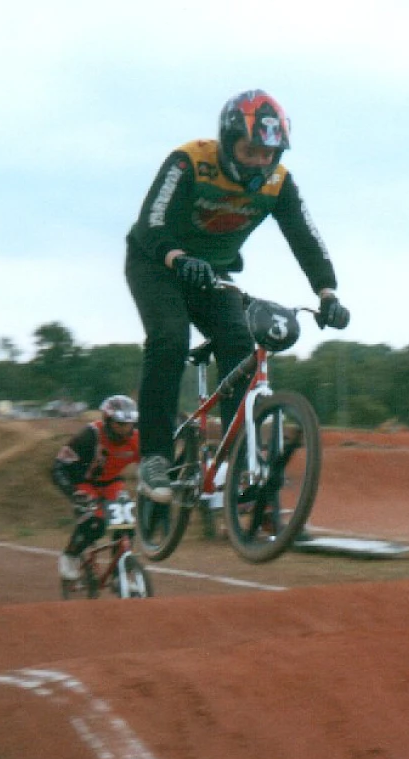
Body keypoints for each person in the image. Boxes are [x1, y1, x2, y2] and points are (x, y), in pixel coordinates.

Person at [123, 89, 350, 504]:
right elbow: (150, 222)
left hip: (211, 275)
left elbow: (305, 236)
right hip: (156, 263)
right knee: (170, 340)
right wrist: (176, 257)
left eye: (270, 152)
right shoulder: (189, 161)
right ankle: (154, 457)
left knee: (241, 347)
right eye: (250, 150)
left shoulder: (279, 184)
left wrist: (327, 291)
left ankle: (237, 460)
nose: (261, 161)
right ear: (228, 142)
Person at [50, 394, 142, 581]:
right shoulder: (89, 436)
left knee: (126, 526)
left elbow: (149, 466)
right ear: (107, 420)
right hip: (83, 482)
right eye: (120, 424)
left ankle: (119, 574)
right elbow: (58, 468)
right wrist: (73, 493)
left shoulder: (137, 439)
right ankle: (70, 555)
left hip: (112, 482)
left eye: (130, 423)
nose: (127, 429)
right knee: (96, 524)